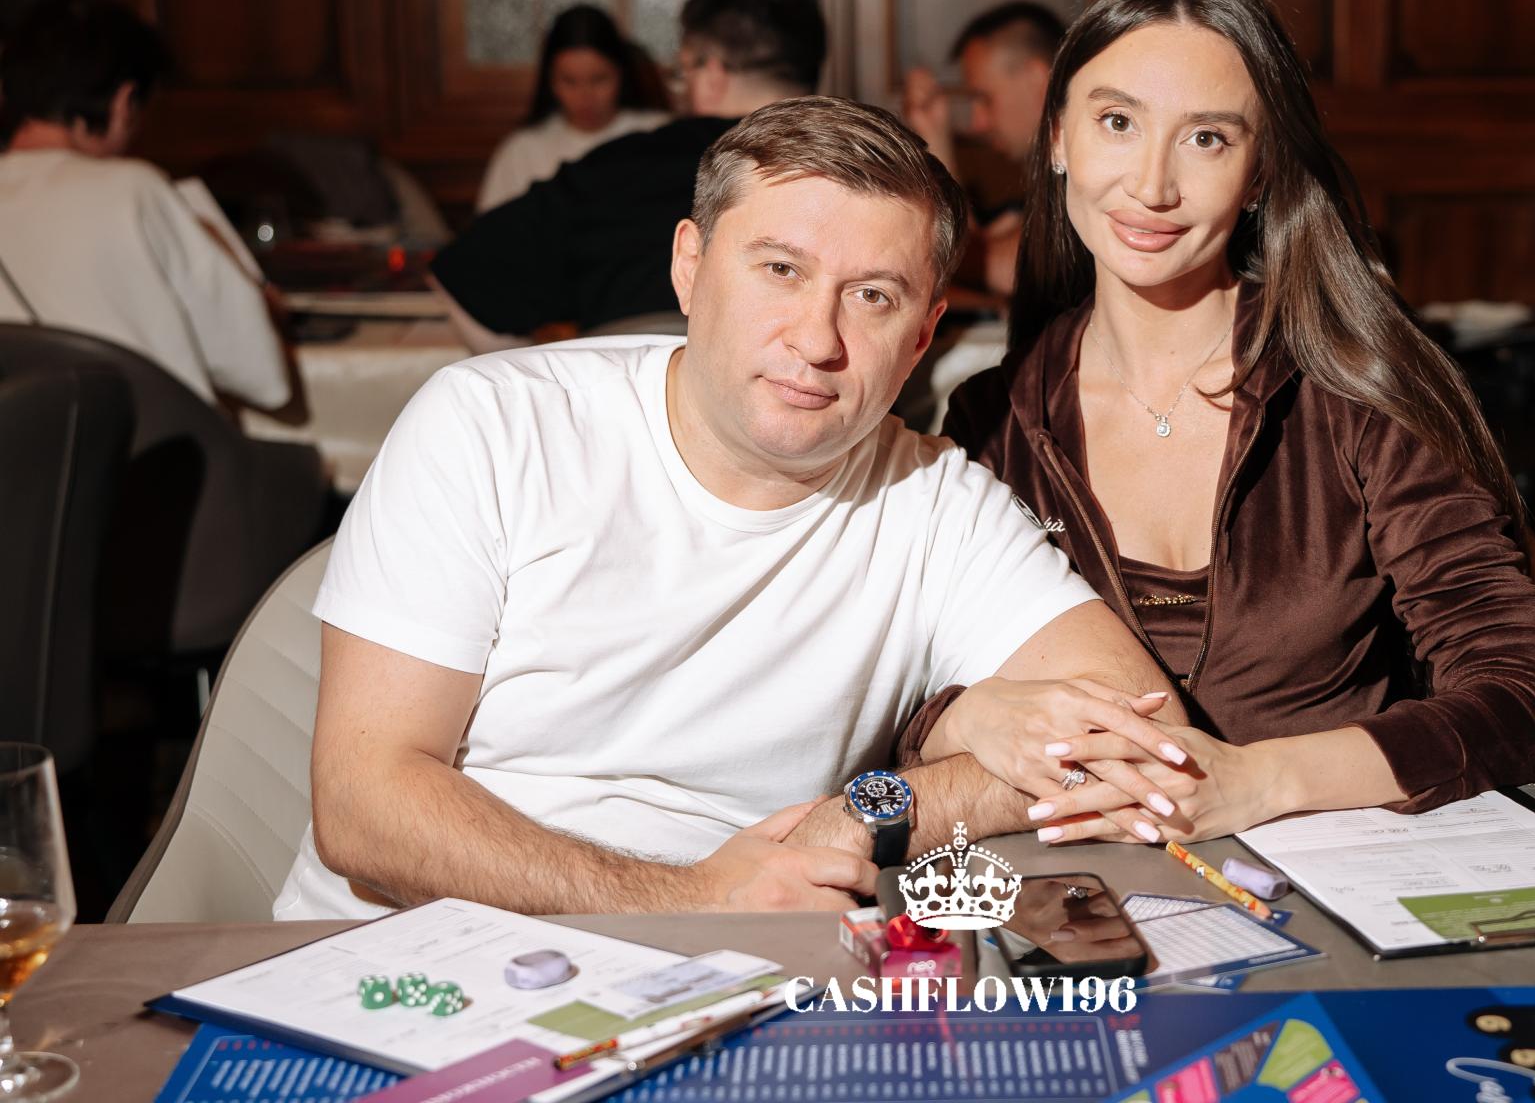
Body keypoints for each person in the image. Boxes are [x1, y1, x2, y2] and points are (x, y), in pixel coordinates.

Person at [277, 96, 1194, 921]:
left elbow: (1147, 738)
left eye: (872, 297)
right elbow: (363, 805)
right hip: (400, 958)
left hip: (724, 979)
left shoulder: (934, 504)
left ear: (923, 335)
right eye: (780, 270)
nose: (817, 340)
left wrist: (874, 812)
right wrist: (688, 899)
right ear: (690, 266)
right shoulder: (495, 422)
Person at [898, 0, 1535, 844]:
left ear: (1259, 174)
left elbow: (1524, 706)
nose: (1152, 185)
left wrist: (1258, 780)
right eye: (1117, 123)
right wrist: (964, 715)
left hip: (1338, 877)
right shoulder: (993, 418)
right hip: (1085, 885)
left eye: (1208, 139)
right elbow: (903, 693)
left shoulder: (1357, 391)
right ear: (1059, 137)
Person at [431, 0, 827, 352]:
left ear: (711, 72)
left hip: (623, 393)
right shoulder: (850, 170)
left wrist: (535, 375)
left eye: (683, 71)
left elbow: (459, 275)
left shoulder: (618, 166)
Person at [0, 0, 290, 409]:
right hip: (152, 443)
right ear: (124, 103)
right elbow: (264, 379)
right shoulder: (133, 190)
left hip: (24, 445)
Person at [902, 1, 1064, 300]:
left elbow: (1000, 266)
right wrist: (935, 139)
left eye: (984, 99)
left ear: (1038, 81)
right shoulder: (1054, 170)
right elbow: (979, 245)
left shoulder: (1088, 159)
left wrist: (935, 142)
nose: (978, 123)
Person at [474, 4, 670, 214]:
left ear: (621, 75)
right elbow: (490, 228)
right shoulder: (521, 151)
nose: (585, 96)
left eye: (599, 79)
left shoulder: (659, 134)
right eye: (569, 81)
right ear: (550, 81)